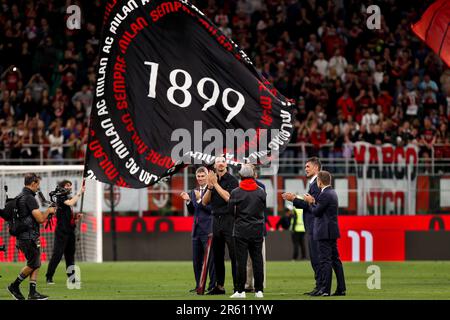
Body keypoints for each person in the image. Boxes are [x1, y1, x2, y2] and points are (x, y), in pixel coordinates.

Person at [7, 173, 56, 300]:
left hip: (25, 236)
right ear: (33, 183)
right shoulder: (29, 198)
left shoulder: (19, 196)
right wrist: (49, 211)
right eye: (38, 184)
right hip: (28, 236)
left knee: (36, 263)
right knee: (33, 264)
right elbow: (40, 219)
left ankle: (32, 293)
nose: (38, 187)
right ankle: (14, 285)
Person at [282, 157, 322, 295]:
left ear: (316, 167)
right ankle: (319, 286)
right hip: (311, 226)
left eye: (308, 166)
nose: (305, 169)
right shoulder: (313, 183)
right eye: (305, 167)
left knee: (317, 258)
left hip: (314, 225)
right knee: (315, 257)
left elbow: (311, 206)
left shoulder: (317, 183)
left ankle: (321, 287)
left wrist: (293, 199)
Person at [303, 171, 346, 296]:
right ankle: (341, 288)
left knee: (326, 260)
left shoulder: (325, 194)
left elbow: (316, 212)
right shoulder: (331, 192)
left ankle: (325, 289)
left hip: (324, 232)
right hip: (331, 231)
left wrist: (311, 201)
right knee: (335, 260)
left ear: (319, 181)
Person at [202, 156, 239, 295]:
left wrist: (215, 184)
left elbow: (229, 198)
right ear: (215, 165)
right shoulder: (212, 180)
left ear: (226, 164)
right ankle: (220, 286)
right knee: (217, 255)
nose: (221, 164)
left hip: (229, 220)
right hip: (215, 220)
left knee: (234, 255)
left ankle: (237, 287)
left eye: (223, 162)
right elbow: (205, 202)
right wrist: (210, 187)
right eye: (218, 162)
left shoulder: (232, 180)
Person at [229, 165, 266, 298]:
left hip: (241, 231)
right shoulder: (261, 191)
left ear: (241, 176)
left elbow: (230, 211)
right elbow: (263, 209)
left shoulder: (235, 192)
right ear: (253, 175)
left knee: (241, 262)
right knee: (258, 261)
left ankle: (240, 291)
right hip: (257, 230)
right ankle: (259, 290)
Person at [180, 166, 216, 293]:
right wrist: (188, 201)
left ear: (207, 177)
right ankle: (198, 285)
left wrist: (200, 199)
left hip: (209, 230)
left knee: (211, 261)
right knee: (196, 260)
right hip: (196, 230)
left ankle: (212, 286)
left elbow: (211, 209)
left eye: (202, 176)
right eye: (198, 176)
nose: (200, 178)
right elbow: (192, 211)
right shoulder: (193, 191)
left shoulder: (212, 191)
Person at [45, 180, 85, 284]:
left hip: (70, 231)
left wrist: (76, 217)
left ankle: (71, 278)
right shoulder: (61, 197)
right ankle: (49, 276)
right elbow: (71, 202)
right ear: (62, 187)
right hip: (62, 232)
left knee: (70, 255)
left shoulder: (66, 198)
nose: (70, 187)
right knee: (57, 255)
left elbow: (67, 216)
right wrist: (79, 193)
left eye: (70, 186)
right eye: (67, 185)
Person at [245, 167, 268, 293]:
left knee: (259, 259)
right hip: (248, 226)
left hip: (257, 226)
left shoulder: (260, 187)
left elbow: (261, 207)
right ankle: (248, 284)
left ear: (255, 174)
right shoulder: (241, 186)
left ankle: (260, 284)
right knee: (248, 260)